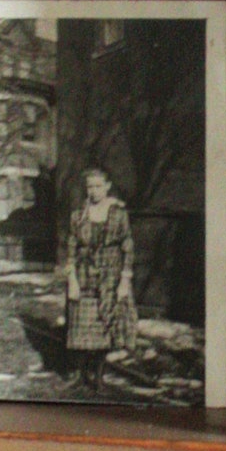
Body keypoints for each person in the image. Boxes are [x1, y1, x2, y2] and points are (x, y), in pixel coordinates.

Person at [64, 167, 137, 394]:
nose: (93, 191)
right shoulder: (78, 216)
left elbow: (127, 247)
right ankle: (80, 374)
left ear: (107, 186)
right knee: (81, 327)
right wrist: (72, 278)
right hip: (84, 276)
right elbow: (71, 247)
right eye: (90, 186)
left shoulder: (118, 214)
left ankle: (98, 377)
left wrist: (125, 279)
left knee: (104, 328)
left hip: (109, 278)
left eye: (98, 186)